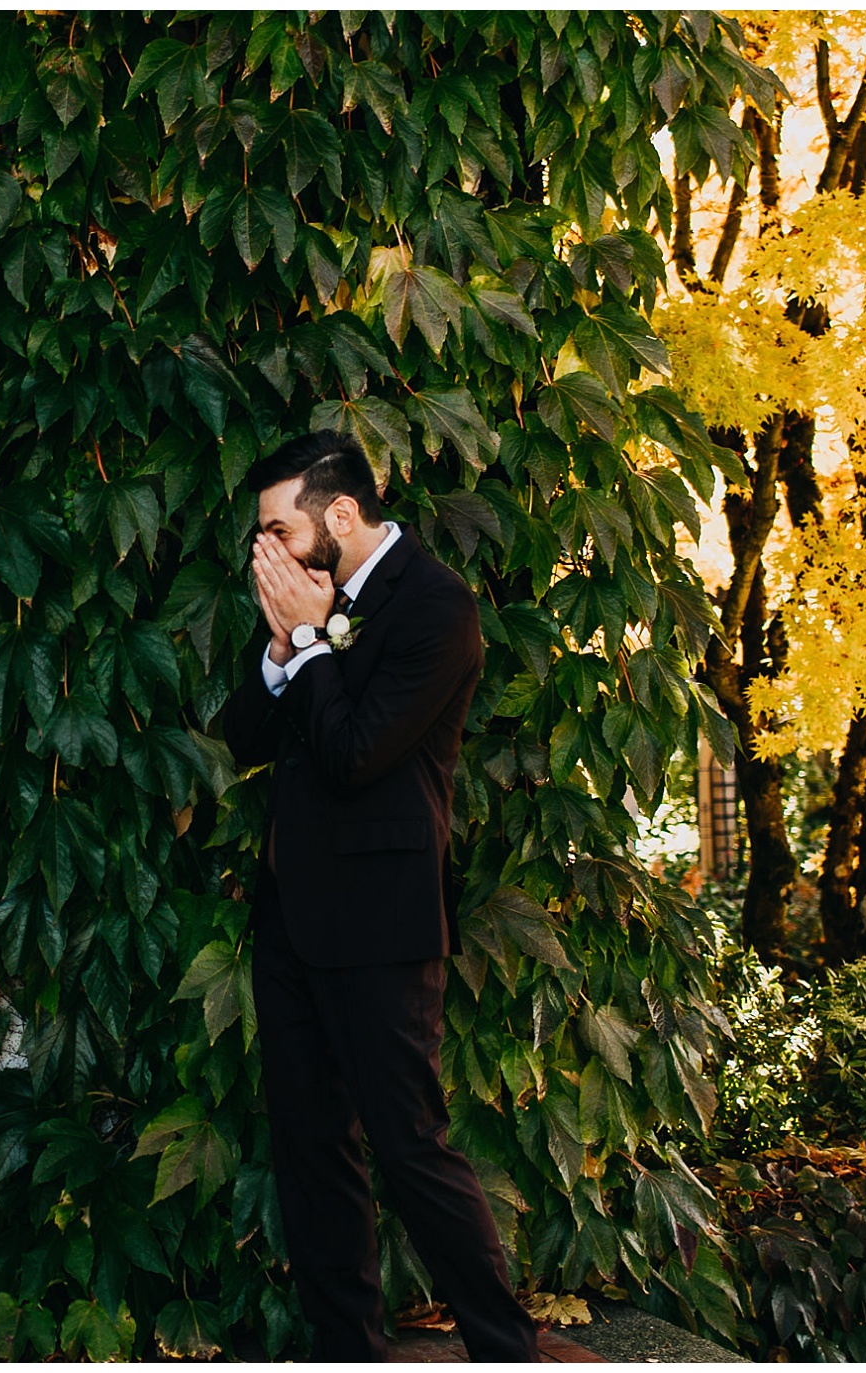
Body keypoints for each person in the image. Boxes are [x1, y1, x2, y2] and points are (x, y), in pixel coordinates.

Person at [222, 431, 538, 1362]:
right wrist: (284, 644)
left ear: (341, 515)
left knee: (410, 1150)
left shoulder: (437, 606)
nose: (266, 550)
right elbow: (245, 732)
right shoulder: (302, 596)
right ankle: (345, 1350)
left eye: (278, 527)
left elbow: (358, 754)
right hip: (290, 919)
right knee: (312, 1152)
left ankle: (507, 1347)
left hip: (383, 925)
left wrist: (313, 639)